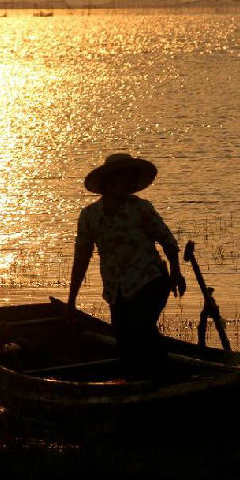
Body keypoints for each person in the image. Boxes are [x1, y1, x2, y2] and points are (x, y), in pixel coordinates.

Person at [67, 153, 186, 379]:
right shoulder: (90, 216)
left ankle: (166, 380)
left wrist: (176, 273)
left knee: (142, 330)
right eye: (125, 178)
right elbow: (81, 257)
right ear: (109, 182)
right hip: (116, 290)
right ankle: (138, 384)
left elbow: (168, 241)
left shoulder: (140, 208)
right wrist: (72, 300)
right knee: (125, 343)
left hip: (150, 281)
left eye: (133, 179)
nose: (130, 184)